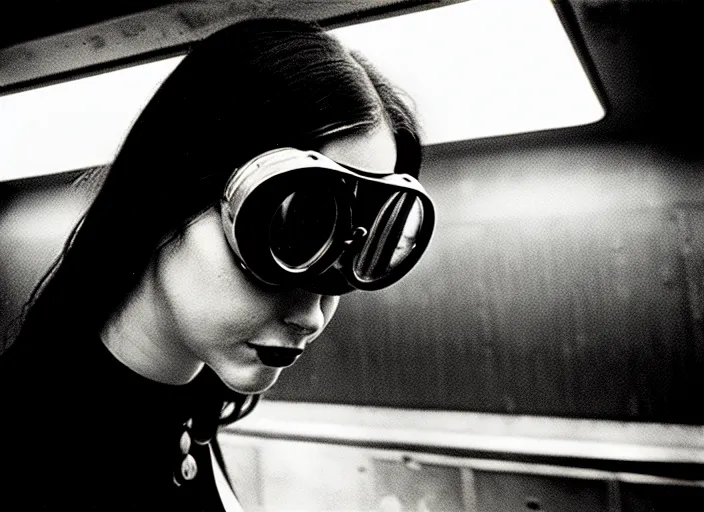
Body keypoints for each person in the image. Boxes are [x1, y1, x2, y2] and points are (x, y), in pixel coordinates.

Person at [0, 17, 434, 511]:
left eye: (354, 252)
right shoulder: (27, 450)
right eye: (291, 233)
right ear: (165, 195)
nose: (312, 315)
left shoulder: (191, 416)